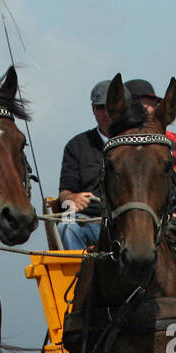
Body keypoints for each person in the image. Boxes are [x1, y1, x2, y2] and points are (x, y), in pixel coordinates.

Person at [56, 79, 125, 250]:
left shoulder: (134, 145)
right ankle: (81, 276)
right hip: (91, 223)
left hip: (127, 223)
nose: (106, 113)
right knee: (67, 226)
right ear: (93, 110)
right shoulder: (76, 145)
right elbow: (64, 192)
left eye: (111, 108)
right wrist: (71, 198)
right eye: (100, 108)